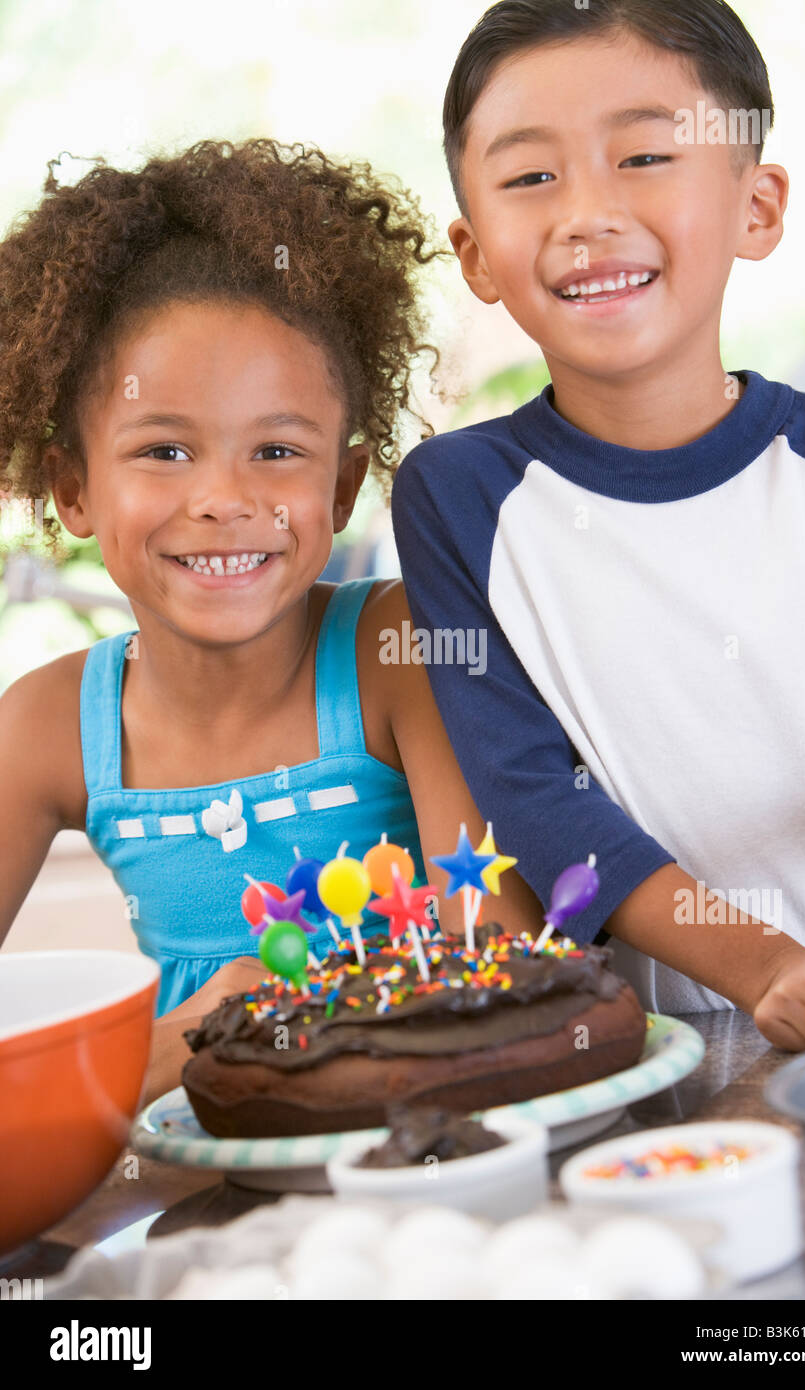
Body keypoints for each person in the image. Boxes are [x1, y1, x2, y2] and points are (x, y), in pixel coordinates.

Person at [0, 138, 544, 1104]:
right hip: (185, 1184)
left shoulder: (398, 651)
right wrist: (172, 1051)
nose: (222, 498)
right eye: (164, 449)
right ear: (73, 488)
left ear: (341, 487)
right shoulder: (46, 728)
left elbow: (496, 964)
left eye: (277, 450)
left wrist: (266, 1019)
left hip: (433, 1150)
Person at [391, 0, 805, 1049]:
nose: (585, 213)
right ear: (475, 254)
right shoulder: (456, 495)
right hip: (662, 1049)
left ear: (756, 205)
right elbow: (532, 798)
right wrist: (765, 969)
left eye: (644, 155)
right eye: (529, 177)